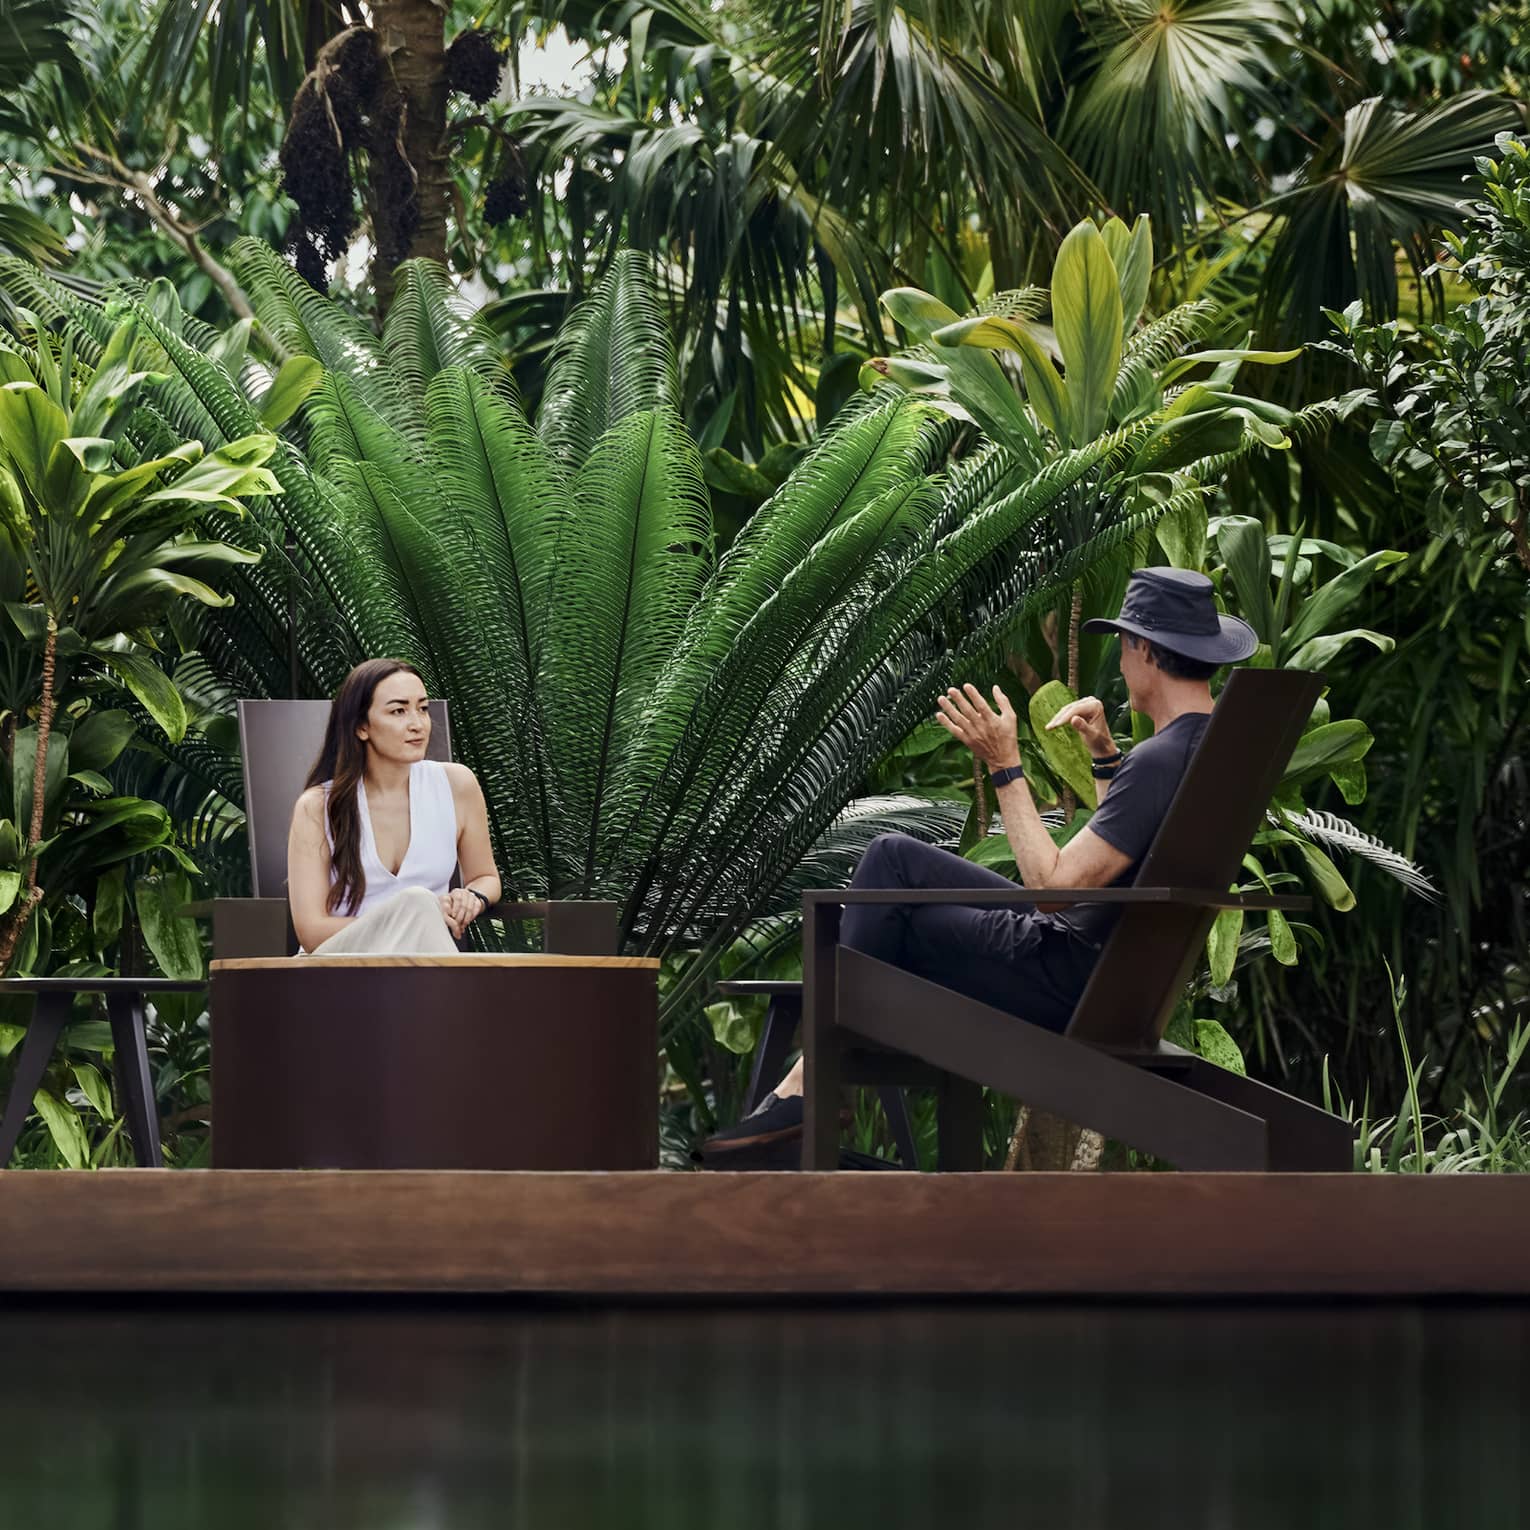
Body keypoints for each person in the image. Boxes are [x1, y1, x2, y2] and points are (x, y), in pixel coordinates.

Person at [702, 566, 1258, 1160]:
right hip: (1108, 972)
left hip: (1063, 972)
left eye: (1123, 644)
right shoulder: (1206, 750)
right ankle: (809, 1086)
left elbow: (1052, 888)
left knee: (890, 903)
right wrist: (1103, 757)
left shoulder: (1161, 759)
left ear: (1144, 649)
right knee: (893, 864)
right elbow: (1124, 867)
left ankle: (807, 1088)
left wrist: (1004, 764)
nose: (1120, 660)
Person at [286, 658, 502, 955]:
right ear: (362, 727)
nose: (417, 724)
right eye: (399, 711)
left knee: (419, 907)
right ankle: (463, 998)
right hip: (337, 969)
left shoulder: (457, 785)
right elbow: (311, 932)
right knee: (417, 902)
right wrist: (413, 917)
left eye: (422, 708)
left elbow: (486, 877)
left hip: (422, 970)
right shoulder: (317, 807)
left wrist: (473, 897)